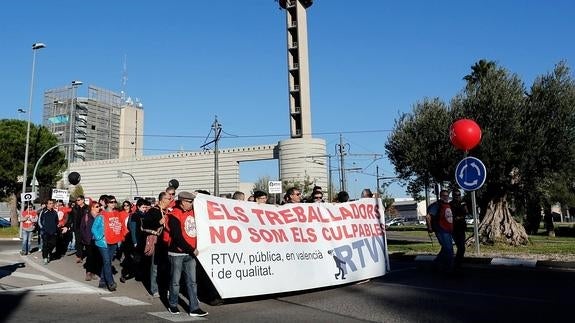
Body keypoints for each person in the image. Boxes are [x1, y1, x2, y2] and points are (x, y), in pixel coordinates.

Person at [165, 191, 208, 317]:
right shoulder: (174, 214)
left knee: (192, 282)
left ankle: (194, 308)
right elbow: (177, 237)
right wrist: (191, 249)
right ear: (183, 201)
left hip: (190, 253)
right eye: (190, 202)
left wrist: (200, 196)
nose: (192, 204)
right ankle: (173, 305)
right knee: (175, 281)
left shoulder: (194, 212)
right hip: (177, 253)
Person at [92, 197, 127, 291]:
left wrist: (121, 237)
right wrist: (100, 236)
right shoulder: (101, 215)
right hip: (103, 243)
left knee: (107, 262)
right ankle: (111, 282)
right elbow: (94, 229)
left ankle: (102, 281)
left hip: (114, 241)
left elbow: (121, 226)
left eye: (114, 202)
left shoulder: (117, 214)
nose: (113, 203)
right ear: (107, 203)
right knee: (107, 261)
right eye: (111, 202)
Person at [141, 191, 171, 297]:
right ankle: (154, 289)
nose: (170, 200)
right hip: (157, 242)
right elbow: (145, 224)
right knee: (155, 266)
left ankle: (164, 287)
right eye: (168, 198)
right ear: (162, 199)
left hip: (166, 242)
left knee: (166, 266)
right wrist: (159, 223)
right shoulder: (153, 211)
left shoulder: (168, 211)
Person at [426, 189, 454, 272]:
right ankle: (449, 268)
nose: (446, 197)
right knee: (449, 250)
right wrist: (430, 228)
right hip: (441, 230)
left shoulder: (447, 205)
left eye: (447, 196)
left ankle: (436, 264)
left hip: (448, 230)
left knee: (446, 249)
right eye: (444, 196)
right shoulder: (437, 205)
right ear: (440, 196)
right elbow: (428, 217)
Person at [80, 200, 100, 281]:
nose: (99, 208)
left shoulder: (100, 216)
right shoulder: (87, 216)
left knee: (96, 257)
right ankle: (88, 272)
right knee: (90, 256)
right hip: (89, 240)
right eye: (97, 207)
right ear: (92, 207)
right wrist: (85, 238)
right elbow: (82, 228)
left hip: (98, 240)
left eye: (99, 207)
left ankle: (94, 272)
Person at [451, 190, 468, 269]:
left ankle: (458, 262)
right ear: (453, 195)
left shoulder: (463, 203)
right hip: (454, 227)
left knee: (462, 247)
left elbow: (466, 212)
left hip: (461, 227)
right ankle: (457, 263)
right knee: (459, 246)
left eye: (459, 195)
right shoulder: (450, 204)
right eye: (455, 195)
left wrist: (461, 216)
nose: (457, 196)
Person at [70, 195, 89, 263]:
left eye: (78, 200)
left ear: (83, 200)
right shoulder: (75, 208)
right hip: (77, 227)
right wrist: (69, 226)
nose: (77, 201)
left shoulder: (87, 208)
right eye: (76, 200)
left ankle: (89, 256)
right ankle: (79, 256)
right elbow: (71, 218)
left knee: (86, 242)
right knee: (78, 242)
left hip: (86, 228)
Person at [41, 199, 59, 264]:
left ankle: (48, 252)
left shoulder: (55, 212)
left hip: (53, 232)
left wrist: (56, 226)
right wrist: (43, 228)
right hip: (45, 232)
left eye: (52, 203)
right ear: (47, 204)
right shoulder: (43, 212)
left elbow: (57, 221)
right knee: (45, 245)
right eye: (50, 203)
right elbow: (40, 221)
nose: (52, 204)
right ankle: (45, 257)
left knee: (53, 244)